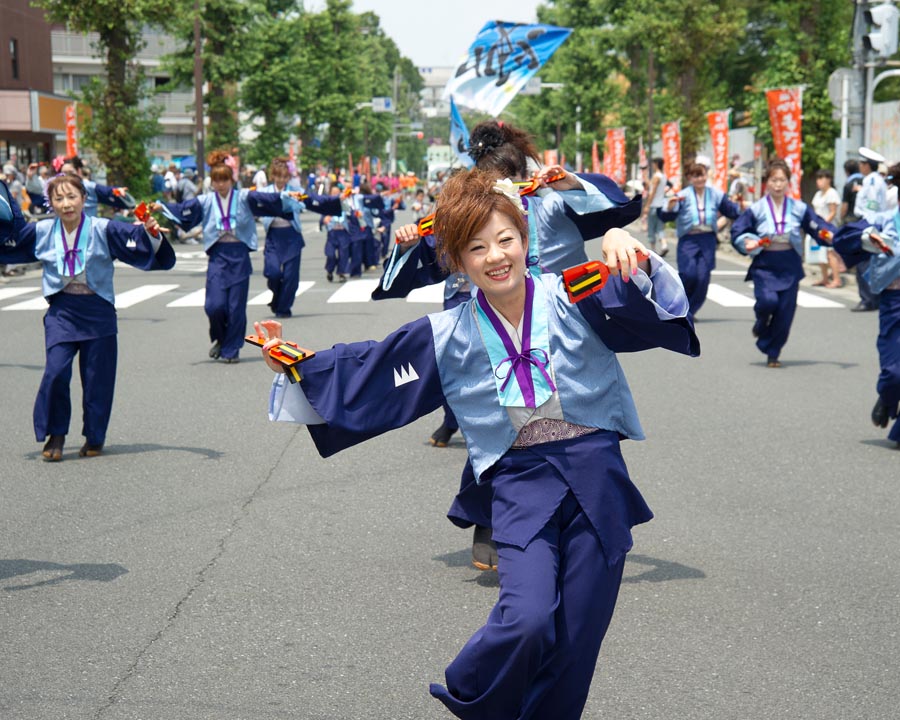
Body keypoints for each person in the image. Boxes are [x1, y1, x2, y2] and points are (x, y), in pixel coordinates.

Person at [256, 168, 698, 720]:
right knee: (528, 616)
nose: (496, 256)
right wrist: (302, 371)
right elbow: (374, 367)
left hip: (596, 476)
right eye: (477, 247)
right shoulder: (447, 333)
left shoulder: (574, 294)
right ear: (458, 260)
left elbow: (660, 303)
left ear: (526, 239)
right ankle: (472, 691)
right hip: (520, 482)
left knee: (577, 642)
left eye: (506, 240)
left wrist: (629, 248)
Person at [376, 119, 642, 570]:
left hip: (559, 331)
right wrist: (406, 242)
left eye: (509, 177)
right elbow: (417, 266)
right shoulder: (476, 215)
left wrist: (571, 180)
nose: (503, 187)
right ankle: (494, 520)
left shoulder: (554, 202)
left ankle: (580, 521)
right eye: (490, 178)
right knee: (495, 423)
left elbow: (618, 206)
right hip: (493, 328)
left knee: (580, 425)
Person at [0, 173, 175, 461]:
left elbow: (136, 239)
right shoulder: (43, 231)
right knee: (55, 370)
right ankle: (56, 433)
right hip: (62, 311)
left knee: (98, 379)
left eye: (72, 197)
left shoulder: (102, 228)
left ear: (84, 199)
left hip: (98, 310)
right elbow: (11, 239)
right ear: (51, 204)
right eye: (59, 199)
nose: (66, 204)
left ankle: (95, 435)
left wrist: (151, 233)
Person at [153, 149, 340, 363]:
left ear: (231, 180)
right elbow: (184, 209)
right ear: (212, 182)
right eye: (217, 181)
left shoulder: (244, 197)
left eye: (224, 180)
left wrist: (286, 197)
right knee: (214, 306)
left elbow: (270, 199)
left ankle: (231, 349)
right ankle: (221, 338)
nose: (221, 185)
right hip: (218, 256)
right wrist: (163, 207)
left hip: (239, 255)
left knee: (235, 307)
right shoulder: (205, 201)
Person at [731, 158, 837, 367]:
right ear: (766, 182)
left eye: (782, 180)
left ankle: (773, 352)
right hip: (765, 263)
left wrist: (832, 235)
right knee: (767, 302)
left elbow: (817, 226)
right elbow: (738, 231)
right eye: (773, 180)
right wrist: (747, 242)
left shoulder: (799, 208)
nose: (778, 185)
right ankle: (761, 323)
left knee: (785, 313)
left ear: (789, 182)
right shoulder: (757, 208)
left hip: (789, 262)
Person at [833, 168, 900, 447]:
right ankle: (887, 397)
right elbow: (842, 238)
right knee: (894, 372)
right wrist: (867, 239)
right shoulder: (883, 221)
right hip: (894, 301)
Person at [658, 162, 741, 318]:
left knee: (703, 277)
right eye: (695, 176)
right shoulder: (682, 196)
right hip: (688, 239)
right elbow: (666, 216)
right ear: (689, 178)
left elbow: (730, 210)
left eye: (702, 175)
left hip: (707, 238)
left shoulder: (716, 194)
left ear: (706, 175)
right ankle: (679, 306)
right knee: (689, 274)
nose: (700, 179)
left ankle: (689, 312)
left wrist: (741, 209)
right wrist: (669, 206)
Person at [260, 157, 308, 318]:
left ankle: (283, 308)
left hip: (291, 235)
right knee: (272, 272)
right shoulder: (265, 192)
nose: (281, 180)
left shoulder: (295, 190)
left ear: (289, 177)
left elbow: (302, 205)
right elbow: (257, 208)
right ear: (272, 176)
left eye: (284, 177)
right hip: (274, 235)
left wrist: (291, 199)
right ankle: (277, 296)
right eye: (278, 176)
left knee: (290, 276)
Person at [852, 147, 889, 312]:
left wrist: (866, 225)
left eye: (862, 163)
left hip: (869, 223)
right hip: (873, 223)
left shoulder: (872, 181)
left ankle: (868, 300)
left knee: (864, 262)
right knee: (870, 262)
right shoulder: (875, 180)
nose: (860, 166)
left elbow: (871, 205)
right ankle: (872, 299)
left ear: (867, 165)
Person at [60, 156, 133, 218]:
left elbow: (106, 191)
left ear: (78, 171)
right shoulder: (58, 189)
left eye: (70, 172)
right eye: (63, 173)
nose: (67, 176)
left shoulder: (88, 187)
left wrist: (117, 191)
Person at [806, 169, 843, 288]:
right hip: (818, 227)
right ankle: (825, 278)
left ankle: (837, 279)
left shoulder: (832, 193)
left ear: (828, 180)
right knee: (820, 252)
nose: (819, 181)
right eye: (818, 178)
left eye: (822, 178)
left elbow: (833, 212)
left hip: (828, 227)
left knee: (830, 252)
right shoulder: (818, 194)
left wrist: (823, 224)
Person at [640, 157, 669, 256]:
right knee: (660, 228)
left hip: (654, 206)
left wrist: (647, 205)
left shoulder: (657, 176)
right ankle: (664, 245)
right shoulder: (663, 176)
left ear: (656, 164)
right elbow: (649, 186)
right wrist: (645, 176)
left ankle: (653, 249)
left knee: (651, 228)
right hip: (661, 205)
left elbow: (652, 192)